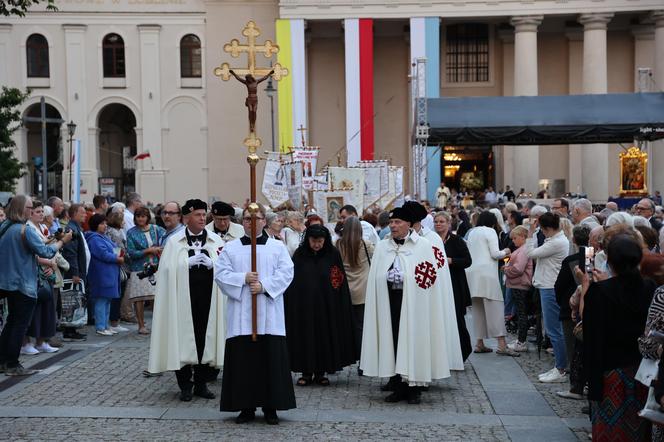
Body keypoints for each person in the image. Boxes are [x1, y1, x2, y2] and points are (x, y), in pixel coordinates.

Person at [361, 206, 453, 405]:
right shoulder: (383, 247)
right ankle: (397, 383)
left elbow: (429, 277)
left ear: (408, 225)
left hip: (415, 303)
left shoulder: (422, 246)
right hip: (390, 300)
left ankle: (414, 388)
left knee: (414, 340)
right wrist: (385, 276)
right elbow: (375, 274)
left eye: (397, 222)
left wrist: (407, 278)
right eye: (391, 222)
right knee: (392, 339)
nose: (393, 226)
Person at [214, 204, 295, 425]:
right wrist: (243, 279)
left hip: (269, 314)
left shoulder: (277, 247)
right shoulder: (231, 248)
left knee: (270, 361)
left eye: (256, 218)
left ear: (264, 221)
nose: (252, 222)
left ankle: (271, 407)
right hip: (242, 315)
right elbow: (220, 274)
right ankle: (245, 407)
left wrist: (265, 286)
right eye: (248, 219)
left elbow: (287, 273)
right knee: (244, 363)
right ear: (242, 222)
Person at [149, 199, 225, 402]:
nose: (202, 218)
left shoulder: (215, 240)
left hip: (208, 300)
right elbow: (164, 271)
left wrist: (213, 265)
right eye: (197, 215)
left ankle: (201, 383)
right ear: (186, 218)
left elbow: (226, 268)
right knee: (181, 340)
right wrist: (184, 264)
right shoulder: (175, 243)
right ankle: (185, 385)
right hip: (183, 301)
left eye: (203, 214)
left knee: (204, 339)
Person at [580, 235, 655, 440]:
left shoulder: (600, 292)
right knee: (639, 429)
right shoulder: (649, 288)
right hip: (643, 371)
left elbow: (592, 337)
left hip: (609, 372)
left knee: (609, 430)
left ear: (610, 261)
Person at [0, 195, 72, 375]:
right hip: (24, 284)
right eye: (30, 207)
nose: (32, 211)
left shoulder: (5, 226)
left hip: (7, 282)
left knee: (11, 323)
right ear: (21, 209)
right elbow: (46, 252)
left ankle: (3, 362)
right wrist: (63, 241)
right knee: (19, 325)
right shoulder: (24, 229)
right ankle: (12, 364)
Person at [284, 224, 357, 386]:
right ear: (308, 240)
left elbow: (338, 279)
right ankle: (306, 372)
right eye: (313, 241)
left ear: (325, 240)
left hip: (326, 305)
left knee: (324, 336)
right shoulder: (299, 255)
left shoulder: (333, 254)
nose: (317, 244)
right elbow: (293, 280)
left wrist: (334, 297)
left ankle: (321, 372)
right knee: (305, 337)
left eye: (320, 241)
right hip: (304, 306)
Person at [465, 211, 517, 356]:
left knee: (478, 310)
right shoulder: (490, 231)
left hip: (472, 273)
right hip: (487, 274)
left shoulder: (472, 232)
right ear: (492, 222)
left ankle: (479, 343)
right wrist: (507, 251)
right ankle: (501, 344)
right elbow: (495, 254)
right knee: (495, 309)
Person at [526, 212, 570, 383]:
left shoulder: (557, 242)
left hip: (550, 286)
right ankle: (559, 366)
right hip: (547, 285)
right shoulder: (555, 239)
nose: (541, 232)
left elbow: (530, 253)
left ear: (548, 228)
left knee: (554, 330)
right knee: (553, 329)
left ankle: (561, 368)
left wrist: (530, 232)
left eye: (542, 230)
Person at [22, 201, 60, 355]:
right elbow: (36, 253)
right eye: (38, 211)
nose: (41, 214)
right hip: (36, 273)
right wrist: (49, 262)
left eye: (42, 211)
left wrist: (52, 264)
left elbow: (51, 249)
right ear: (30, 213)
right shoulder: (28, 228)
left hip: (48, 272)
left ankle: (42, 341)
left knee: (47, 308)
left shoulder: (44, 227)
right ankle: (27, 343)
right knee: (34, 310)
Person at [434, 211, 473, 361]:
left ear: (449, 224)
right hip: (437, 285)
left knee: (457, 319)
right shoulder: (430, 240)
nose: (438, 224)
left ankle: (463, 352)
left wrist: (450, 261)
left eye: (442, 221)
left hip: (455, 284)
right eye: (436, 221)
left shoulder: (456, 240)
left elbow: (467, 261)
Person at [337, 216, 373, 369]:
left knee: (343, 326)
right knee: (362, 327)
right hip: (363, 290)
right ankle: (363, 363)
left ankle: (341, 358)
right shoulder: (366, 244)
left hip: (344, 290)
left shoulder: (338, 245)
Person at [126, 206, 165, 335]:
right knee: (139, 298)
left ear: (148, 217)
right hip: (139, 268)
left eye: (143, 216)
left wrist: (160, 249)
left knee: (157, 297)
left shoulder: (157, 229)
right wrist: (148, 250)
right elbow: (131, 252)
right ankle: (141, 325)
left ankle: (159, 325)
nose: (141, 219)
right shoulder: (131, 233)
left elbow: (167, 241)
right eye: (138, 216)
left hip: (156, 266)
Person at [84, 214, 124, 336]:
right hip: (101, 274)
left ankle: (105, 325)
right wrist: (117, 258)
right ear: (96, 225)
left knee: (107, 300)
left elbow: (113, 249)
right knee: (101, 300)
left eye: (105, 223)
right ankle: (100, 326)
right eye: (102, 223)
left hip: (109, 273)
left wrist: (118, 255)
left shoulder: (103, 237)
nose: (105, 225)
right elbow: (104, 254)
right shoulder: (95, 239)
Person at [61, 203, 90, 342]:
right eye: (82, 213)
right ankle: (69, 329)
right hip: (74, 272)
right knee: (72, 299)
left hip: (80, 270)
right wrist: (75, 272)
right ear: (73, 214)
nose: (85, 215)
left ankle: (72, 328)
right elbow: (71, 253)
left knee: (76, 299)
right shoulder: (71, 229)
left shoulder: (77, 228)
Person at [503, 226, 533, 353]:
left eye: (515, 238)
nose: (513, 241)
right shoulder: (522, 249)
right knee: (521, 313)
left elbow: (518, 269)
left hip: (520, 284)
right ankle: (521, 340)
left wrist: (506, 270)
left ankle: (521, 342)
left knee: (521, 314)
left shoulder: (523, 250)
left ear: (522, 237)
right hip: (518, 284)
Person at [105, 210, 131, 331]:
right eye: (122, 220)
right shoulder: (116, 233)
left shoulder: (111, 231)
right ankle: (114, 321)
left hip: (116, 264)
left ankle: (113, 320)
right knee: (117, 294)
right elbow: (120, 249)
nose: (124, 222)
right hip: (119, 265)